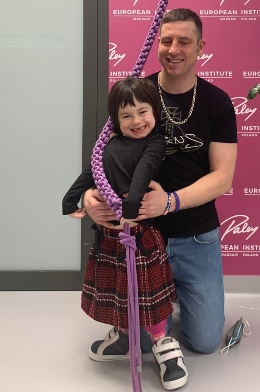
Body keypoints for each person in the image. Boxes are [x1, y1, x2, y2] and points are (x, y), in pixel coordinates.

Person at [82, 8, 238, 390]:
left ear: (200, 46)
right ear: (157, 44)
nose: (173, 48)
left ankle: (176, 299)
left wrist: (169, 202)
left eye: (184, 41)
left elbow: (223, 177)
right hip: (138, 238)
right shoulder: (136, 95)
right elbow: (103, 155)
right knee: (142, 343)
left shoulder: (217, 103)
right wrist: (89, 197)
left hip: (195, 235)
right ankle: (152, 315)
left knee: (203, 342)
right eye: (166, 40)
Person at [62, 77, 188, 389]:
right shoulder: (109, 144)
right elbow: (92, 171)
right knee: (119, 290)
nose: (136, 121)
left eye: (143, 112)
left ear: (155, 111)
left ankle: (162, 343)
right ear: (115, 121)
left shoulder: (155, 141)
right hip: (109, 235)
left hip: (139, 233)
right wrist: (71, 199)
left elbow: (144, 171)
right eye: (126, 116)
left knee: (148, 295)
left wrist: (129, 209)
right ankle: (124, 336)